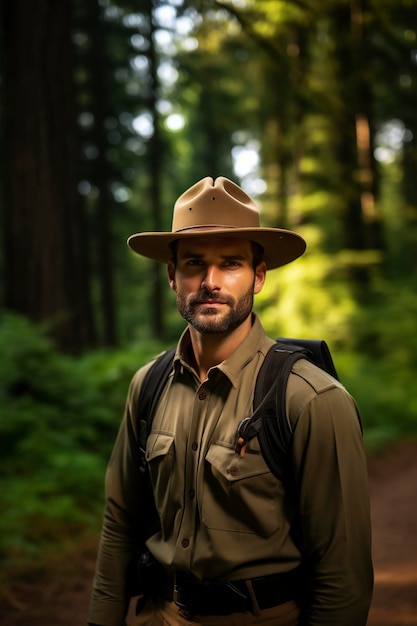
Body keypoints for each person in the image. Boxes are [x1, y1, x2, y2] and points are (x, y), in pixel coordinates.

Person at [88, 176, 373, 626]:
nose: (210, 281)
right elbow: (120, 523)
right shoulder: (148, 385)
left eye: (231, 264)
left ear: (258, 276)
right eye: (194, 263)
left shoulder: (310, 399)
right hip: (157, 615)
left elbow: (343, 574)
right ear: (172, 276)